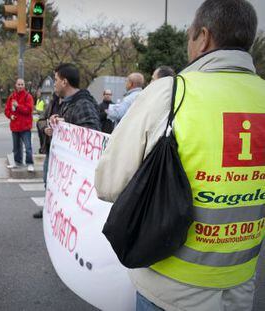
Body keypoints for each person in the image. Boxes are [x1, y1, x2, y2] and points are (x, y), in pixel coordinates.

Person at [95, 1, 265, 310]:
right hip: (241, 283)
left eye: (189, 37)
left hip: (170, 285)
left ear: (203, 36)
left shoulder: (169, 93)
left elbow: (108, 183)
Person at [32, 93, 61, 219]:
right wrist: (46, 127)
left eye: (56, 81)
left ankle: (59, 210)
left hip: (65, 154)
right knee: (47, 180)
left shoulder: (75, 104)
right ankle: (47, 208)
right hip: (51, 149)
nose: (55, 85)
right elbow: (41, 121)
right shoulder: (53, 103)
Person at [50, 63, 101, 131]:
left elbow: (92, 135)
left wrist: (66, 126)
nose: (54, 84)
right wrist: (57, 125)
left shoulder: (84, 104)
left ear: (64, 82)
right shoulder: (67, 103)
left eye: (56, 80)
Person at [4, 78, 35, 172]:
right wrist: (10, 116)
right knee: (16, 147)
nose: (20, 86)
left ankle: (30, 163)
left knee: (28, 147)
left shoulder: (28, 96)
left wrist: (18, 106)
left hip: (25, 126)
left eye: (22, 84)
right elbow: (7, 110)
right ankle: (18, 162)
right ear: (16, 85)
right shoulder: (11, 96)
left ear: (24, 85)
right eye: (19, 84)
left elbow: (29, 110)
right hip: (15, 126)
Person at [34, 89, 46, 153]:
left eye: (38, 92)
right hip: (38, 120)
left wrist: (38, 112)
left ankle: (43, 149)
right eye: (37, 92)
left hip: (42, 121)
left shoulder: (44, 100)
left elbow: (45, 111)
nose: (37, 93)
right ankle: (41, 148)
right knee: (40, 136)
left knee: (43, 136)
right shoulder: (38, 100)